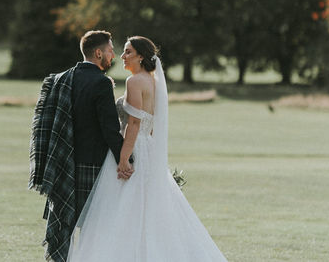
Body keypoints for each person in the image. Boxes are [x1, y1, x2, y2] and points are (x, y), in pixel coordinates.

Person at [68, 36, 228, 261]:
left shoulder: (134, 82)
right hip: (149, 150)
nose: (122, 56)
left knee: (123, 211)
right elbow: (150, 126)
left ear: (141, 56)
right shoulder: (154, 82)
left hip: (133, 148)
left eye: (128, 52)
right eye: (122, 51)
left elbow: (134, 124)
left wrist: (124, 159)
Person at [29, 30, 129, 262]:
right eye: (111, 50)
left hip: (61, 162)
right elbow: (110, 130)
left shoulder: (61, 78)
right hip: (91, 164)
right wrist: (127, 159)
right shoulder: (101, 83)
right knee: (94, 228)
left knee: (65, 224)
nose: (113, 55)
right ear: (98, 52)